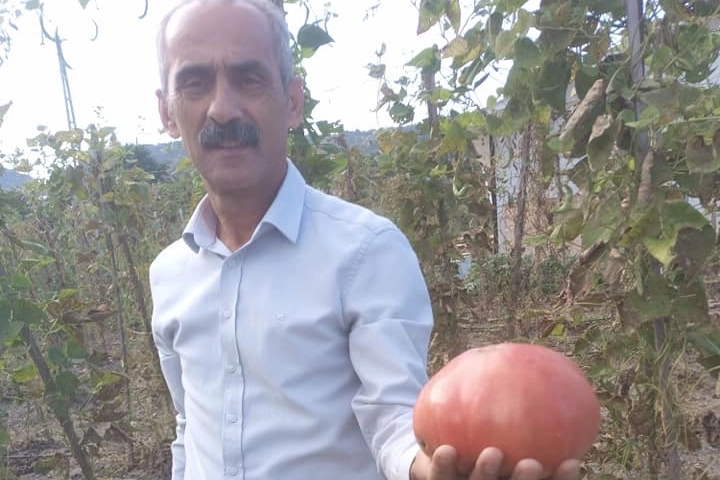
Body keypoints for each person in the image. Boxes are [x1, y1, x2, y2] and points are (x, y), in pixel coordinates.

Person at [148, 1, 584, 479]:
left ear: (292, 102)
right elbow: (190, 423)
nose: (222, 108)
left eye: (249, 79)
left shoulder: (365, 250)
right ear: (167, 111)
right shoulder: (169, 274)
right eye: (194, 83)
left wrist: (425, 466)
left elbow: (393, 413)